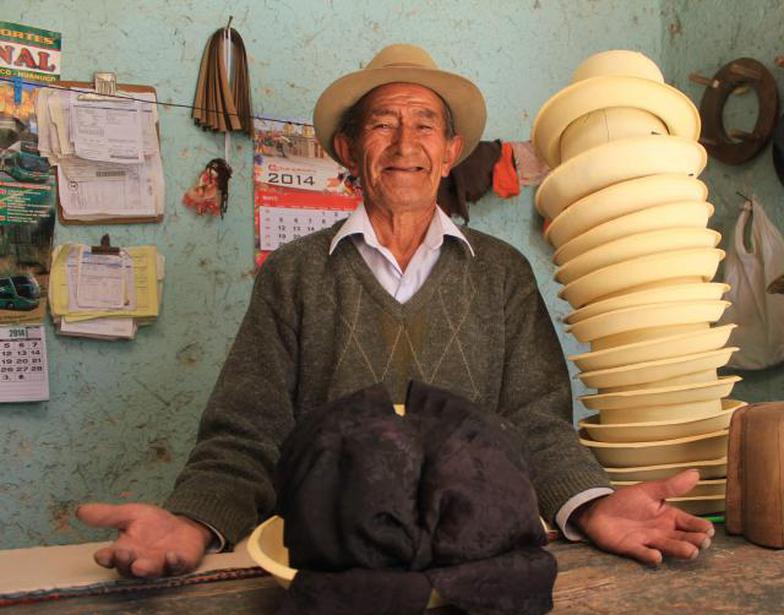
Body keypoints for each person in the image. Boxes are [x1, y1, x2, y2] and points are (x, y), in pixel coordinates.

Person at [77, 44, 714, 579]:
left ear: (451, 151)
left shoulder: (501, 273)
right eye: (383, 123)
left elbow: (537, 423)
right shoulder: (297, 274)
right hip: (331, 560)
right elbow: (246, 431)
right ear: (350, 150)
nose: (405, 142)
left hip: (477, 559)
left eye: (425, 125)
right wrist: (194, 516)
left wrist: (593, 503)